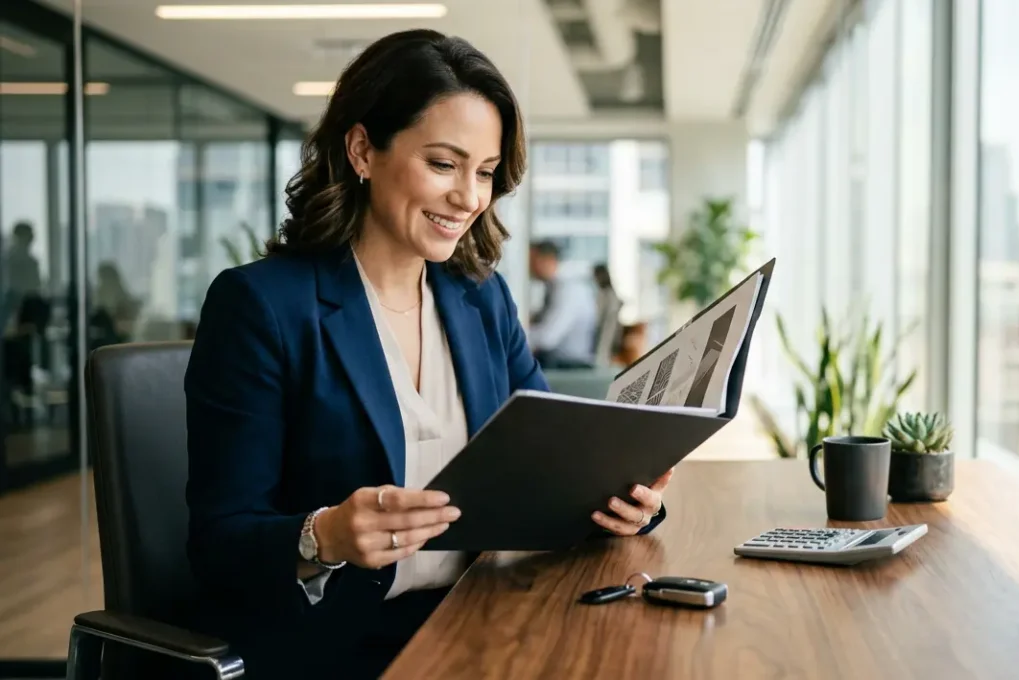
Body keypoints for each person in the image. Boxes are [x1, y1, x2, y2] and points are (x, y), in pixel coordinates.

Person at [184, 30, 673, 680]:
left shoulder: (480, 299)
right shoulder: (262, 306)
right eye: (444, 164)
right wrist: (322, 536)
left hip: (480, 622)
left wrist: (626, 500)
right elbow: (217, 544)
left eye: (486, 172)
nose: (470, 197)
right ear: (362, 150)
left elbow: (550, 459)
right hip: (335, 653)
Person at [527, 240, 598, 368]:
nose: (528, 267)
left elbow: (547, 339)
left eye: (532, 261)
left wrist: (515, 334)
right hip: (556, 360)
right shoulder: (554, 287)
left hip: (569, 365)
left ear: (547, 260)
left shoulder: (569, 290)